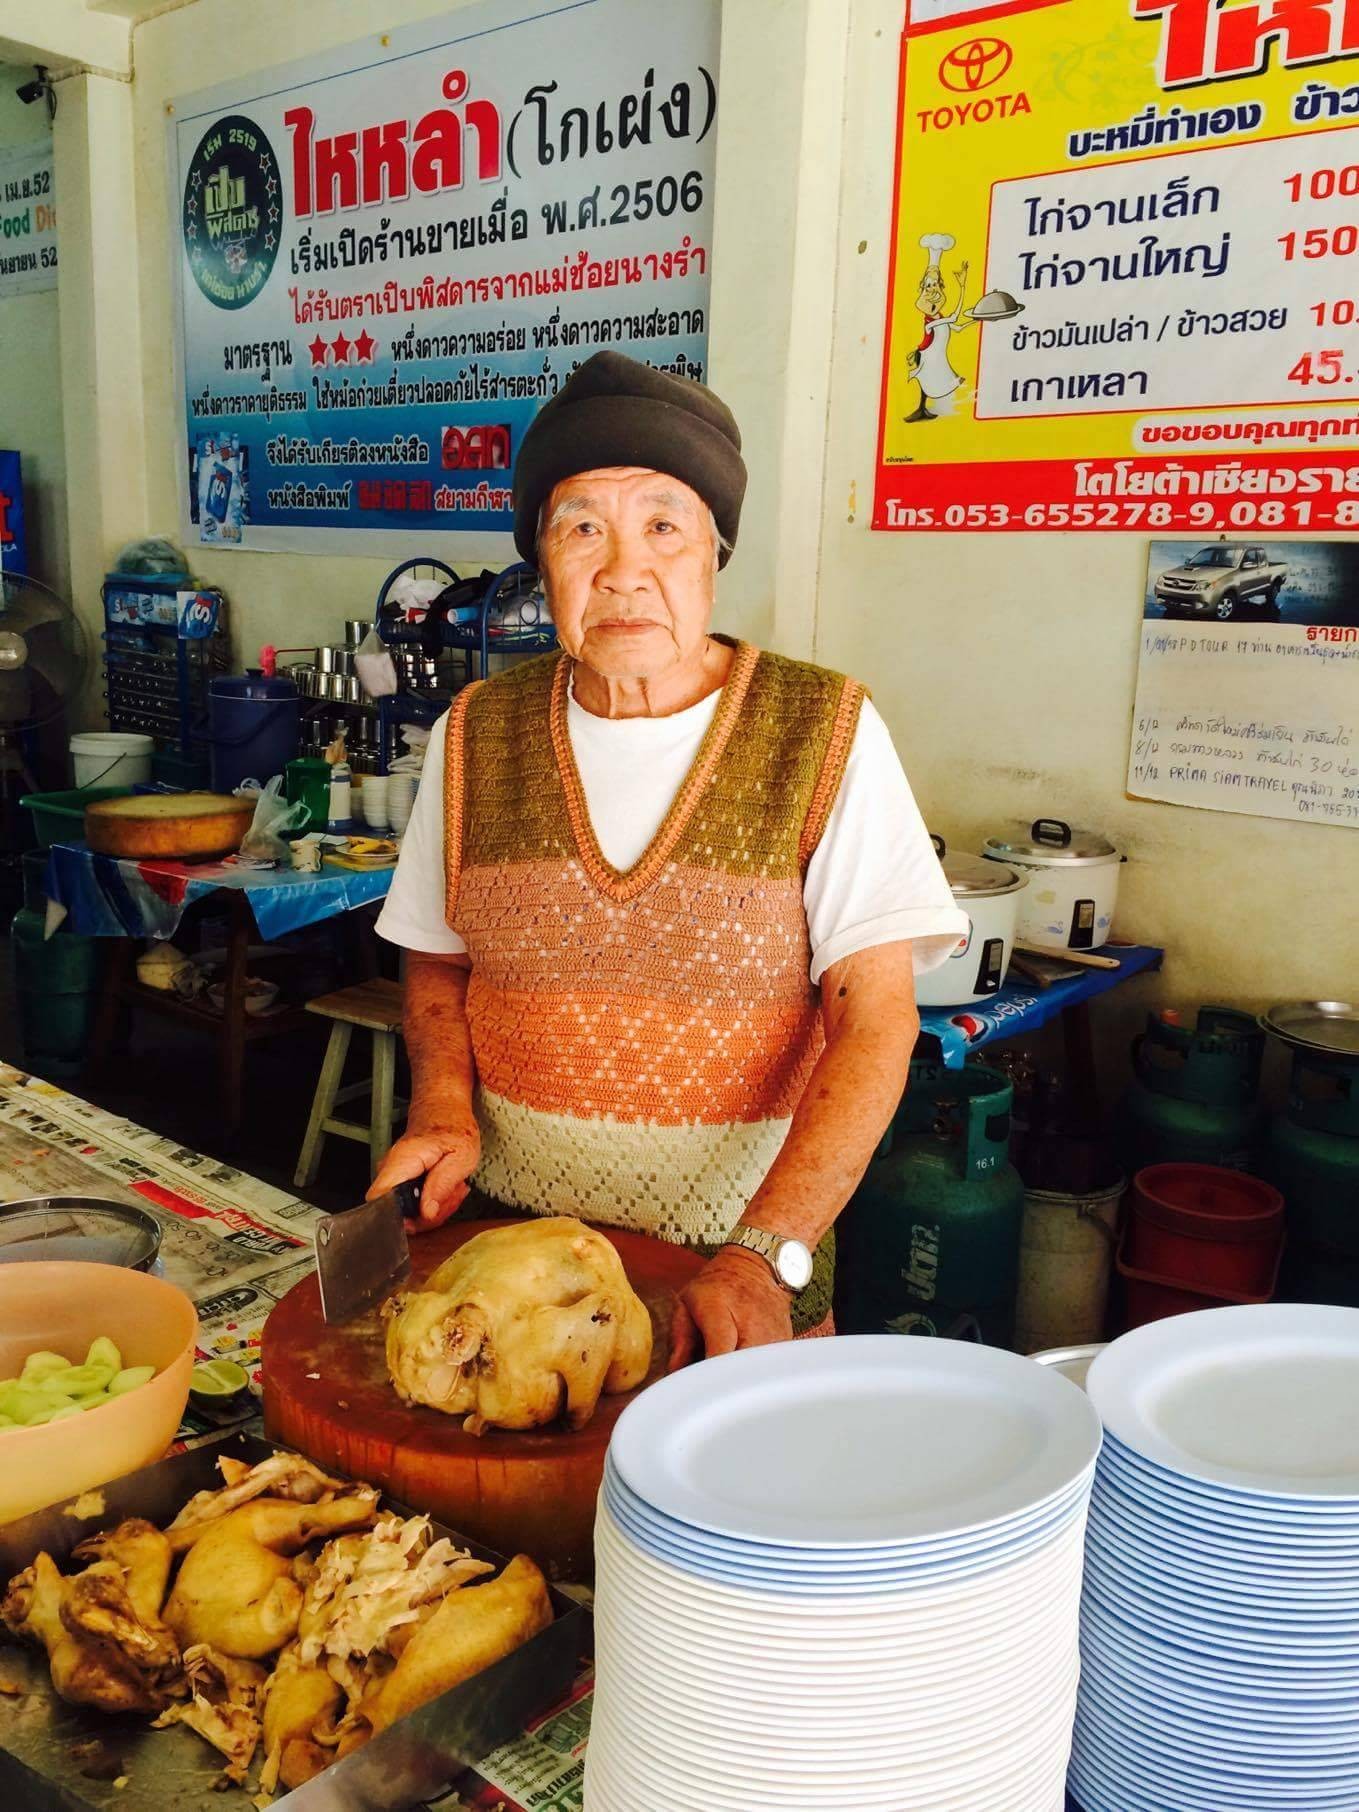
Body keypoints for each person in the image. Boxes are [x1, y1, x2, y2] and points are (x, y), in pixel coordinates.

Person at [373, 351, 966, 1363]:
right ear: (541, 559)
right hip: (514, 1272)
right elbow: (438, 956)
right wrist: (442, 1112)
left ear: (713, 554)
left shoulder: (821, 730)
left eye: (662, 526)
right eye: (582, 529)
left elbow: (875, 1020)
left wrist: (762, 1254)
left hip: (731, 1287)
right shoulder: (476, 731)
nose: (623, 571)